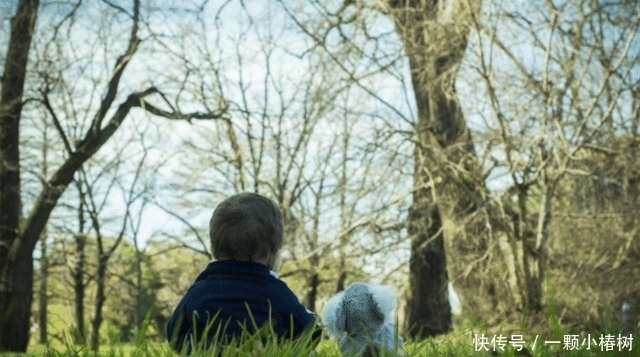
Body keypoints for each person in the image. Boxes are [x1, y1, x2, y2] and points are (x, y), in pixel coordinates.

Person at [166, 192, 319, 353]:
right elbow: (311, 333)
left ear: (213, 249)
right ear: (273, 256)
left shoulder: (199, 292)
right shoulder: (276, 292)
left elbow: (174, 335)